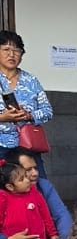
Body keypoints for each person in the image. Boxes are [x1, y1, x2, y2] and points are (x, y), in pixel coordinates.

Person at [0, 145, 72, 239]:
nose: (35, 173)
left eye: (35, 168)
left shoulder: (42, 186)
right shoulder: (2, 196)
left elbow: (62, 215)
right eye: (28, 170)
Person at [0, 29, 53, 178]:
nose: (11, 54)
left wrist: (29, 115)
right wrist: (3, 118)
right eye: (6, 49)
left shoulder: (31, 81)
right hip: (1, 145)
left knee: (40, 183)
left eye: (16, 50)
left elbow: (48, 111)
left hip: (26, 145)